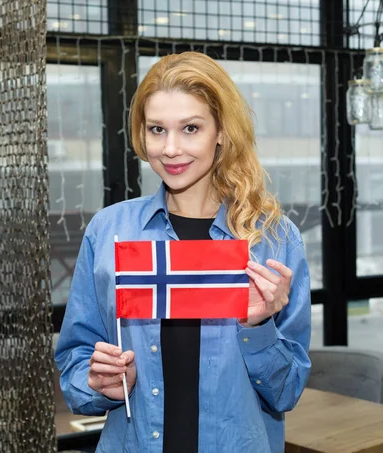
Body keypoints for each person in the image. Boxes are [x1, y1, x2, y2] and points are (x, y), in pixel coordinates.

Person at [55, 51, 312, 453]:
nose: (170, 148)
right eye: (157, 129)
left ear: (221, 132)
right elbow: (75, 362)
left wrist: (257, 328)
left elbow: (287, 392)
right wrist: (95, 381)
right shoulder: (109, 232)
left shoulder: (273, 240)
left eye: (190, 128)